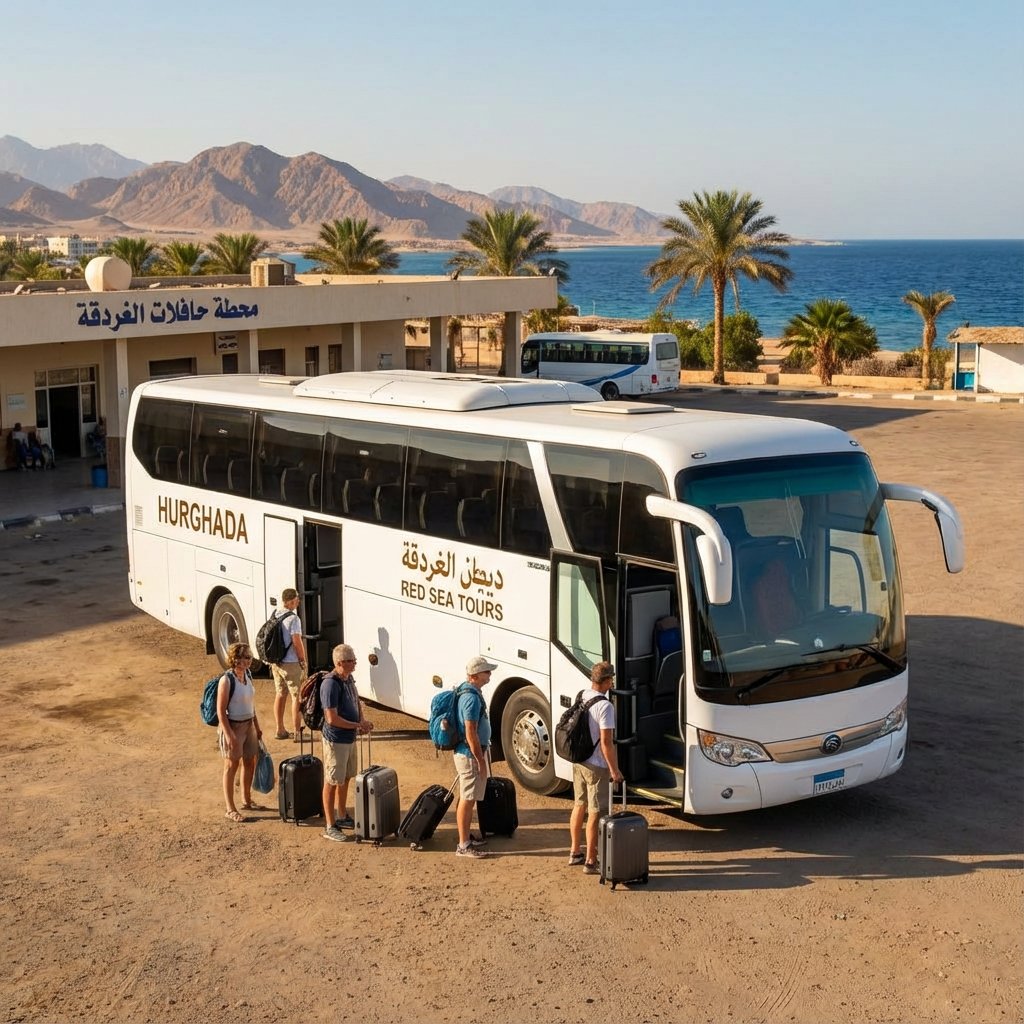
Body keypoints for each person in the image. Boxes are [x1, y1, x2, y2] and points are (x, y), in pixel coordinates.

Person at [568, 660, 623, 874]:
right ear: (607, 681)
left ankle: (575, 852)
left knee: (579, 805)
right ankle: (591, 860)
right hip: (596, 765)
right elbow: (606, 743)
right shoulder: (605, 707)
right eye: (611, 679)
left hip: (579, 761)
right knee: (595, 812)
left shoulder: (583, 695)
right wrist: (614, 770)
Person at [319, 643, 372, 842]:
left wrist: (362, 721)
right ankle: (330, 825)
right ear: (340, 663)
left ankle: (341, 815)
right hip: (336, 740)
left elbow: (356, 700)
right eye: (351, 661)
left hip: (348, 738)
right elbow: (331, 718)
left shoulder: (348, 678)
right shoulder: (330, 684)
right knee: (332, 780)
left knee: (346, 777)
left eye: (354, 659)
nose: (355, 663)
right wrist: (357, 725)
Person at [452, 655, 497, 859]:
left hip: (468, 753)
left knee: (467, 796)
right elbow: (471, 732)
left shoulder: (469, 692)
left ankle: (466, 837)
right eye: (486, 671)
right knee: (468, 798)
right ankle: (463, 845)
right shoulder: (470, 698)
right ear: (475, 675)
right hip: (469, 755)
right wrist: (480, 760)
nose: (490, 674)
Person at [217, 641, 264, 822]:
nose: (248, 660)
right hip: (234, 726)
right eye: (244, 657)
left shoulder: (248, 675)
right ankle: (230, 809)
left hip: (249, 725)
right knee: (231, 765)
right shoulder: (226, 680)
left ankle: (246, 799)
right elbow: (221, 711)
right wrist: (229, 735)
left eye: (249, 656)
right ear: (234, 659)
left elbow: (251, 705)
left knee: (250, 761)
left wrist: (257, 727)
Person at [271, 588, 307, 740]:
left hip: (277, 662)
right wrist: (302, 660)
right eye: (297, 599)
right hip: (291, 662)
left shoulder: (275, 614)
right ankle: (298, 733)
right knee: (297, 697)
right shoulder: (294, 619)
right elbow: (296, 641)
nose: (298, 602)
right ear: (292, 601)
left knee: (280, 694)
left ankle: (280, 730)